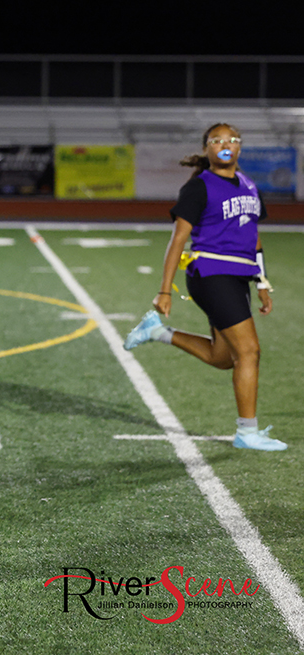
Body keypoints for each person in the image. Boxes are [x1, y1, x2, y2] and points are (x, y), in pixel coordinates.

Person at [123, 123, 285, 451]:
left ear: (239, 147)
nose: (225, 145)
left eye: (232, 140)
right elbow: (177, 239)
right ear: (208, 148)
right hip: (210, 273)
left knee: (223, 357)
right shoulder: (200, 187)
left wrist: (262, 282)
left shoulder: (251, 186)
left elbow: (254, 238)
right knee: (249, 351)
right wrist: (164, 289)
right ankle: (247, 432)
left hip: (238, 277)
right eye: (217, 140)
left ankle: (157, 332)